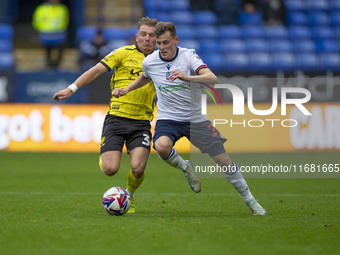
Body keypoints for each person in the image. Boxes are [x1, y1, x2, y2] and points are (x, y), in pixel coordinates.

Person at [113, 21, 267, 215]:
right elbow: (145, 76)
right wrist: (126, 89)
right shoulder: (150, 61)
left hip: (196, 120)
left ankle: (251, 201)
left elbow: (212, 78)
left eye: (166, 43)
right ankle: (186, 168)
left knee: (224, 161)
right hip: (168, 118)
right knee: (160, 146)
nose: (162, 47)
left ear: (175, 40)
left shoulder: (188, 56)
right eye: (159, 43)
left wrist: (189, 78)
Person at [53, 17, 158, 213]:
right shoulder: (122, 53)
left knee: (138, 168)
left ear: (157, 38)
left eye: (152, 35)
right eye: (143, 34)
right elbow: (95, 71)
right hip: (117, 118)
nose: (147, 39)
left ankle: (130, 196)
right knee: (110, 170)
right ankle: (105, 155)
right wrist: (71, 88)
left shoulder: (162, 61)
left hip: (141, 122)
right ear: (137, 37)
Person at [32, 0, 69, 67]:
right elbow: (36, 20)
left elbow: (65, 19)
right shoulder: (41, 8)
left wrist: (60, 27)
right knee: (48, 50)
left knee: (61, 48)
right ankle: (48, 64)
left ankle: (57, 64)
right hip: (46, 33)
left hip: (58, 33)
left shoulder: (62, 8)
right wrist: (42, 29)